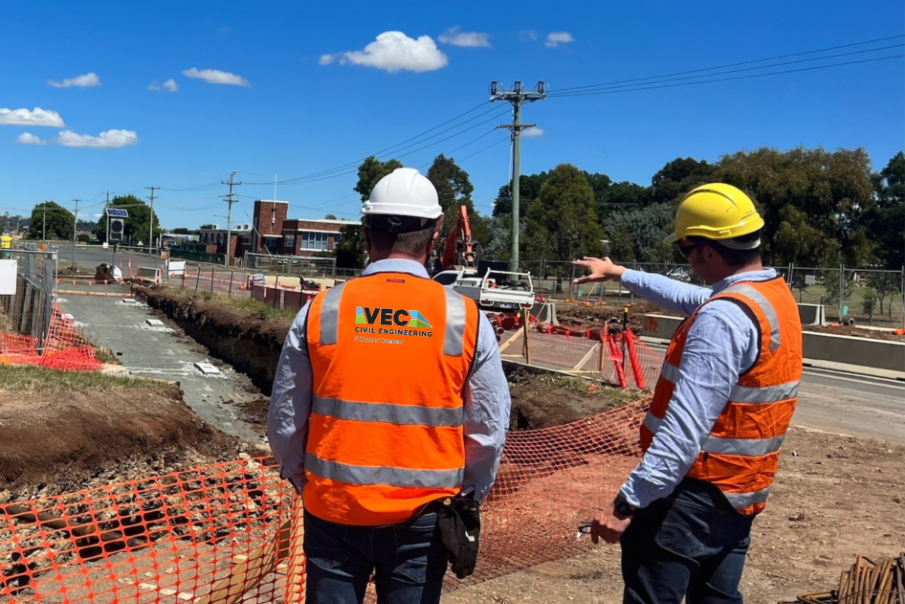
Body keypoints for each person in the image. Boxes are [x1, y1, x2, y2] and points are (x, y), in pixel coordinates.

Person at [268, 167, 511, 604]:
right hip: (423, 519)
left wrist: (307, 484)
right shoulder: (466, 318)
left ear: (367, 233)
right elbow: (488, 430)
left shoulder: (321, 311)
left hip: (333, 512)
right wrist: (470, 495)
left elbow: (285, 420)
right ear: (435, 235)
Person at [573, 183, 802, 603]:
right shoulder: (769, 298)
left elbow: (682, 433)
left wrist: (625, 504)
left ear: (708, 252)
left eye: (685, 250)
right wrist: (620, 273)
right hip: (738, 494)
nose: (688, 262)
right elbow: (686, 295)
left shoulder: (722, 319)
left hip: (690, 496)